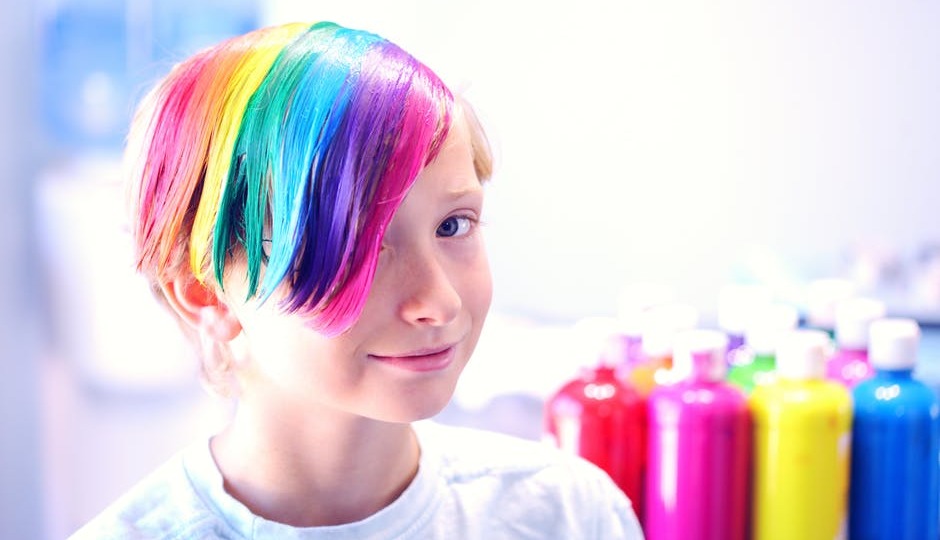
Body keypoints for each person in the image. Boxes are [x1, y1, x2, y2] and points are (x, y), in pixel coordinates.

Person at [70, 20, 645, 539]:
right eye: (357, 246)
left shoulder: (566, 515)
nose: (440, 301)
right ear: (208, 294)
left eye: (453, 225)